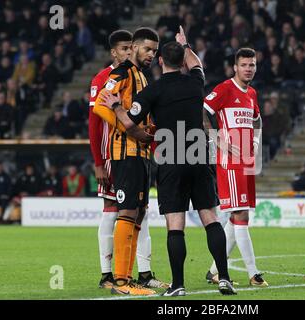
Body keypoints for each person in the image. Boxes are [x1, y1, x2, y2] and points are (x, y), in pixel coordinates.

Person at [99, 26, 236, 297]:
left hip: (170, 157)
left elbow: (127, 122)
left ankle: (178, 285)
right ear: (182, 59)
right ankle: (225, 278)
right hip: (198, 155)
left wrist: (115, 104)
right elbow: (196, 64)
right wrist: (186, 45)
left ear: (161, 61)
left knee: (176, 225)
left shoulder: (153, 90)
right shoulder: (196, 81)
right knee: (211, 219)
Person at [93, 28, 165, 296]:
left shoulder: (142, 77)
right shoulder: (121, 72)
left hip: (142, 153)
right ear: (133, 47)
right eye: (147, 49)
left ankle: (128, 277)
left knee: (139, 212)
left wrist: (149, 129)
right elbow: (101, 105)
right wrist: (130, 130)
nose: (151, 55)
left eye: (155, 51)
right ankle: (121, 281)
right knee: (127, 212)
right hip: (125, 153)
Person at [202, 47, 268, 287]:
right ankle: (253, 274)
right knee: (241, 215)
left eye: (252, 65)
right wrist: (217, 138)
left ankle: (214, 271)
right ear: (235, 67)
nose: (249, 69)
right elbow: (203, 110)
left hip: (246, 161)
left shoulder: (252, 93)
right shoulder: (224, 89)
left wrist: (257, 142)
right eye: (244, 65)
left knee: (236, 216)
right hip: (230, 162)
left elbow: (258, 119)